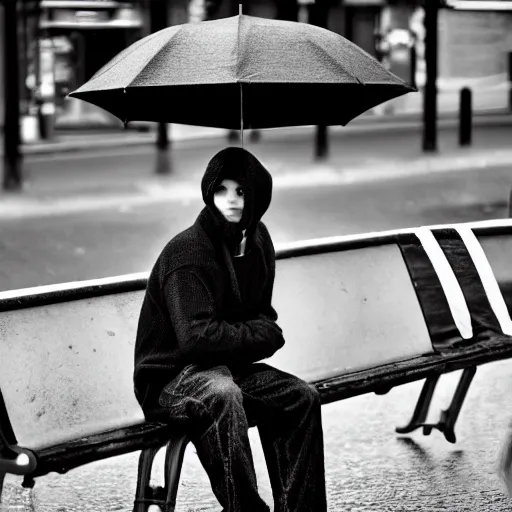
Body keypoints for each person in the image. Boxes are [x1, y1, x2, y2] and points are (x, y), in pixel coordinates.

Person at [133, 147, 327, 512]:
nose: (231, 200)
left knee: (300, 397)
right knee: (221, 393)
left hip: (229, 370)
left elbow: (262, 316)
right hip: (171, 379)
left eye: (241, 191)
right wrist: (259, 336)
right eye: (221, 190)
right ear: (209, 193)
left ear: (257, 196)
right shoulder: (187, 253)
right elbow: (197, 340)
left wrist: (257, 333)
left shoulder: (258, 242)